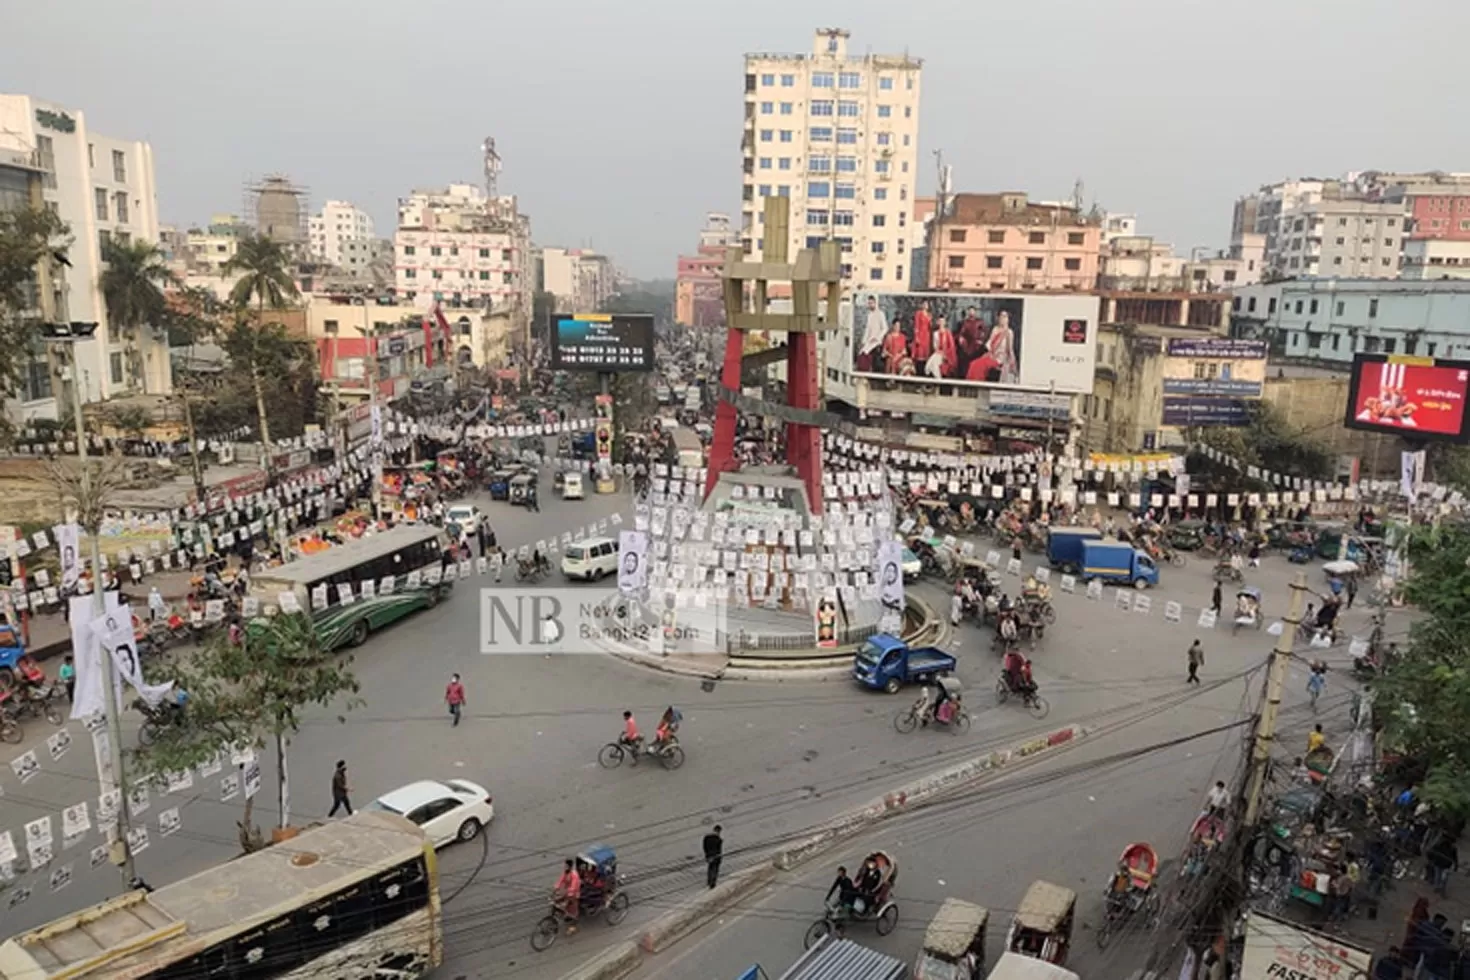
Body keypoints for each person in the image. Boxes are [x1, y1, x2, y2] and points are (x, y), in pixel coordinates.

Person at [857, 295, 888, 372]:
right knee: (862, 354)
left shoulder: (881, 314)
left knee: (867, 355)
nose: (870, 305)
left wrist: (878, 337)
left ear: (875, 303)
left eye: (871, 303)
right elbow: (867, 329)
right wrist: (863, 341)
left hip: (877, 341)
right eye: (869, 303)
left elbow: (885, 328)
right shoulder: (869, 315)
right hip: (869, 340)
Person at [553, 858, 582, 930]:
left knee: (571, 906)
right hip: (567, 891)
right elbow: (560, 880)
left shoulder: (574, 875)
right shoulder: (566, 872)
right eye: (564, 865)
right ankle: (566, 914)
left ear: (570, 866)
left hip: (574, 893)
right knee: (557, 900)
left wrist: (569, 892)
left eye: (566, 865)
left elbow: (574, 886)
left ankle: (574, 922)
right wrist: (556, 887)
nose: (565, 867)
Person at [702, 824, 723, 889]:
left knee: (710, 867)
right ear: (718, 831)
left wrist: (706, 854)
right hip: (716, 855)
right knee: (715, 868)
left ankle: (709, 880)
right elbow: (719, 849)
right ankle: (713, 882)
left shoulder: (707, 837)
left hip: (709, 855)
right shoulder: (718, 839)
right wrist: (719, 856)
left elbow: (704, 847)